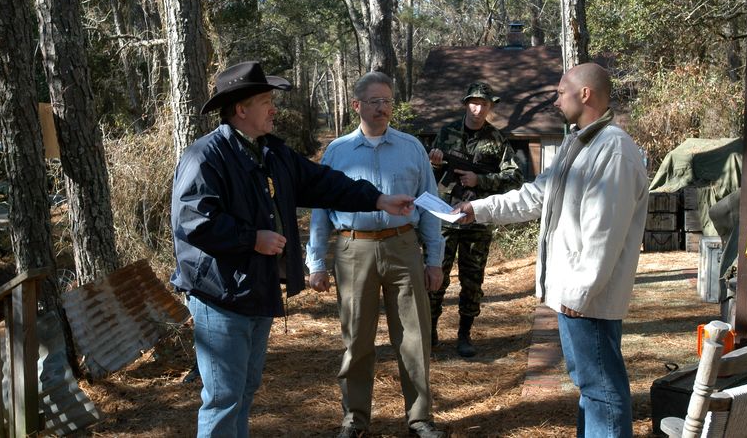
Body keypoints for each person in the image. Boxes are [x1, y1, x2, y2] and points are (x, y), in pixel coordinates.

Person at [170, 61, 417, 437]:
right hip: (219, 297)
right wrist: (251, 238)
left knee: (244, 391)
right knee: (222, 398)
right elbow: (192, 221)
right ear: (241, 109)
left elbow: (324, 183)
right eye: (266, 101)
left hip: (257, 289)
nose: (274, 108)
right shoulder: (206, 156)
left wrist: (379, 199)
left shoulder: (271, 152)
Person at [454, 63, 648, 438]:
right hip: (573, 295)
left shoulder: (613, 150)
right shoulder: (577, 143)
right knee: (591, 387)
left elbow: (602, 232)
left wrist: (579, 292)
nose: (556, 99)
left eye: (561, 91)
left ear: (585, 94)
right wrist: (477, 209)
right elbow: (534, 196)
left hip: (587, 297)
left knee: (602, 389)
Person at [306, 71, 446, 438]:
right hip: (354, 249)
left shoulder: (411, 147)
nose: (383, 108)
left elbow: (429, 206)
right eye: (374, 102)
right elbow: (320, 211)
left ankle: (420, 419)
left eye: (387, 101)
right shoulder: (337, 151)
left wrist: (434, 260)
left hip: (403, 247)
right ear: (357, 106)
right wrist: (317, 262)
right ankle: (354, 420)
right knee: (356, 340)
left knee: (414, 338)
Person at [427, 82, 523, 357]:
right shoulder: (446, 134)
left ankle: (464, 334)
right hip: (445, 218)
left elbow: (515, 177)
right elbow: (429, 175)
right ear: (465, 104)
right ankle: (431, 330)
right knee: (436, 277)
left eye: (484, 104)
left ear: (490, 107)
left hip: (478, 220)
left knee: (472, 281)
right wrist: (434, 165)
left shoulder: (497, 139)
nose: (478, 108)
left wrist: (479, 179)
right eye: (473, 102)